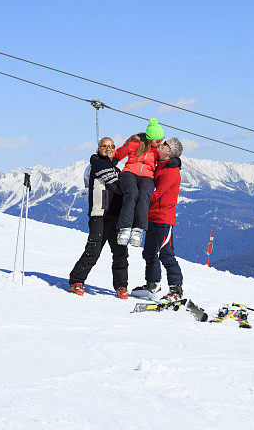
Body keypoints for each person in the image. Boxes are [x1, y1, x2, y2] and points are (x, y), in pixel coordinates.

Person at [69, 137, 129, 299]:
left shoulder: (115, 168)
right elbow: (116, 186)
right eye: (104, 146)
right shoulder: (99, 164)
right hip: (100, 216)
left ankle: (121, 286)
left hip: (115, 217)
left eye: (111, 146)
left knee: (120, 252)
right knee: (93, 251)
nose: (108, 149)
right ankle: (76, 281)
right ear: (99, 148)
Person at [132, 138, 185, 300]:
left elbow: (157, 194)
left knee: (166, 254)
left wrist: (137, 198)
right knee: (149, 252)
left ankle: (176, 290)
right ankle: (152, 285)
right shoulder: (161, 166)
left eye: (164, 144)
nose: (160, 145)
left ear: (169, 151)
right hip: (153, 217)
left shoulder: (171, 171)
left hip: (163, 219)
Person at [114, 118, 165, 247]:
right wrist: (107, 161)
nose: (160, 143)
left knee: (144, 195)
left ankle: (138, 229)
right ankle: (125, 228)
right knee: (132, 193)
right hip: (129, 173)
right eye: (157, 140)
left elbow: (166, 160)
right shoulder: (135, 143)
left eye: (162, 139)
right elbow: (119, 153)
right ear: (149, 138)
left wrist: (173, 163)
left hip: (147, 176)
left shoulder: (158, 150)